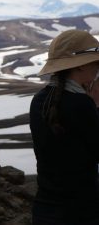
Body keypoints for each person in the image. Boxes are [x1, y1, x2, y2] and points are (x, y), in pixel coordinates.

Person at [29, 29, 99, 224]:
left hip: (44, 209)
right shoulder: (81, 104)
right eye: (95, 62)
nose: (97, 68)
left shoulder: (39, 100)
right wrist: (95, 106)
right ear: (79, 66)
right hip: (79, 212)